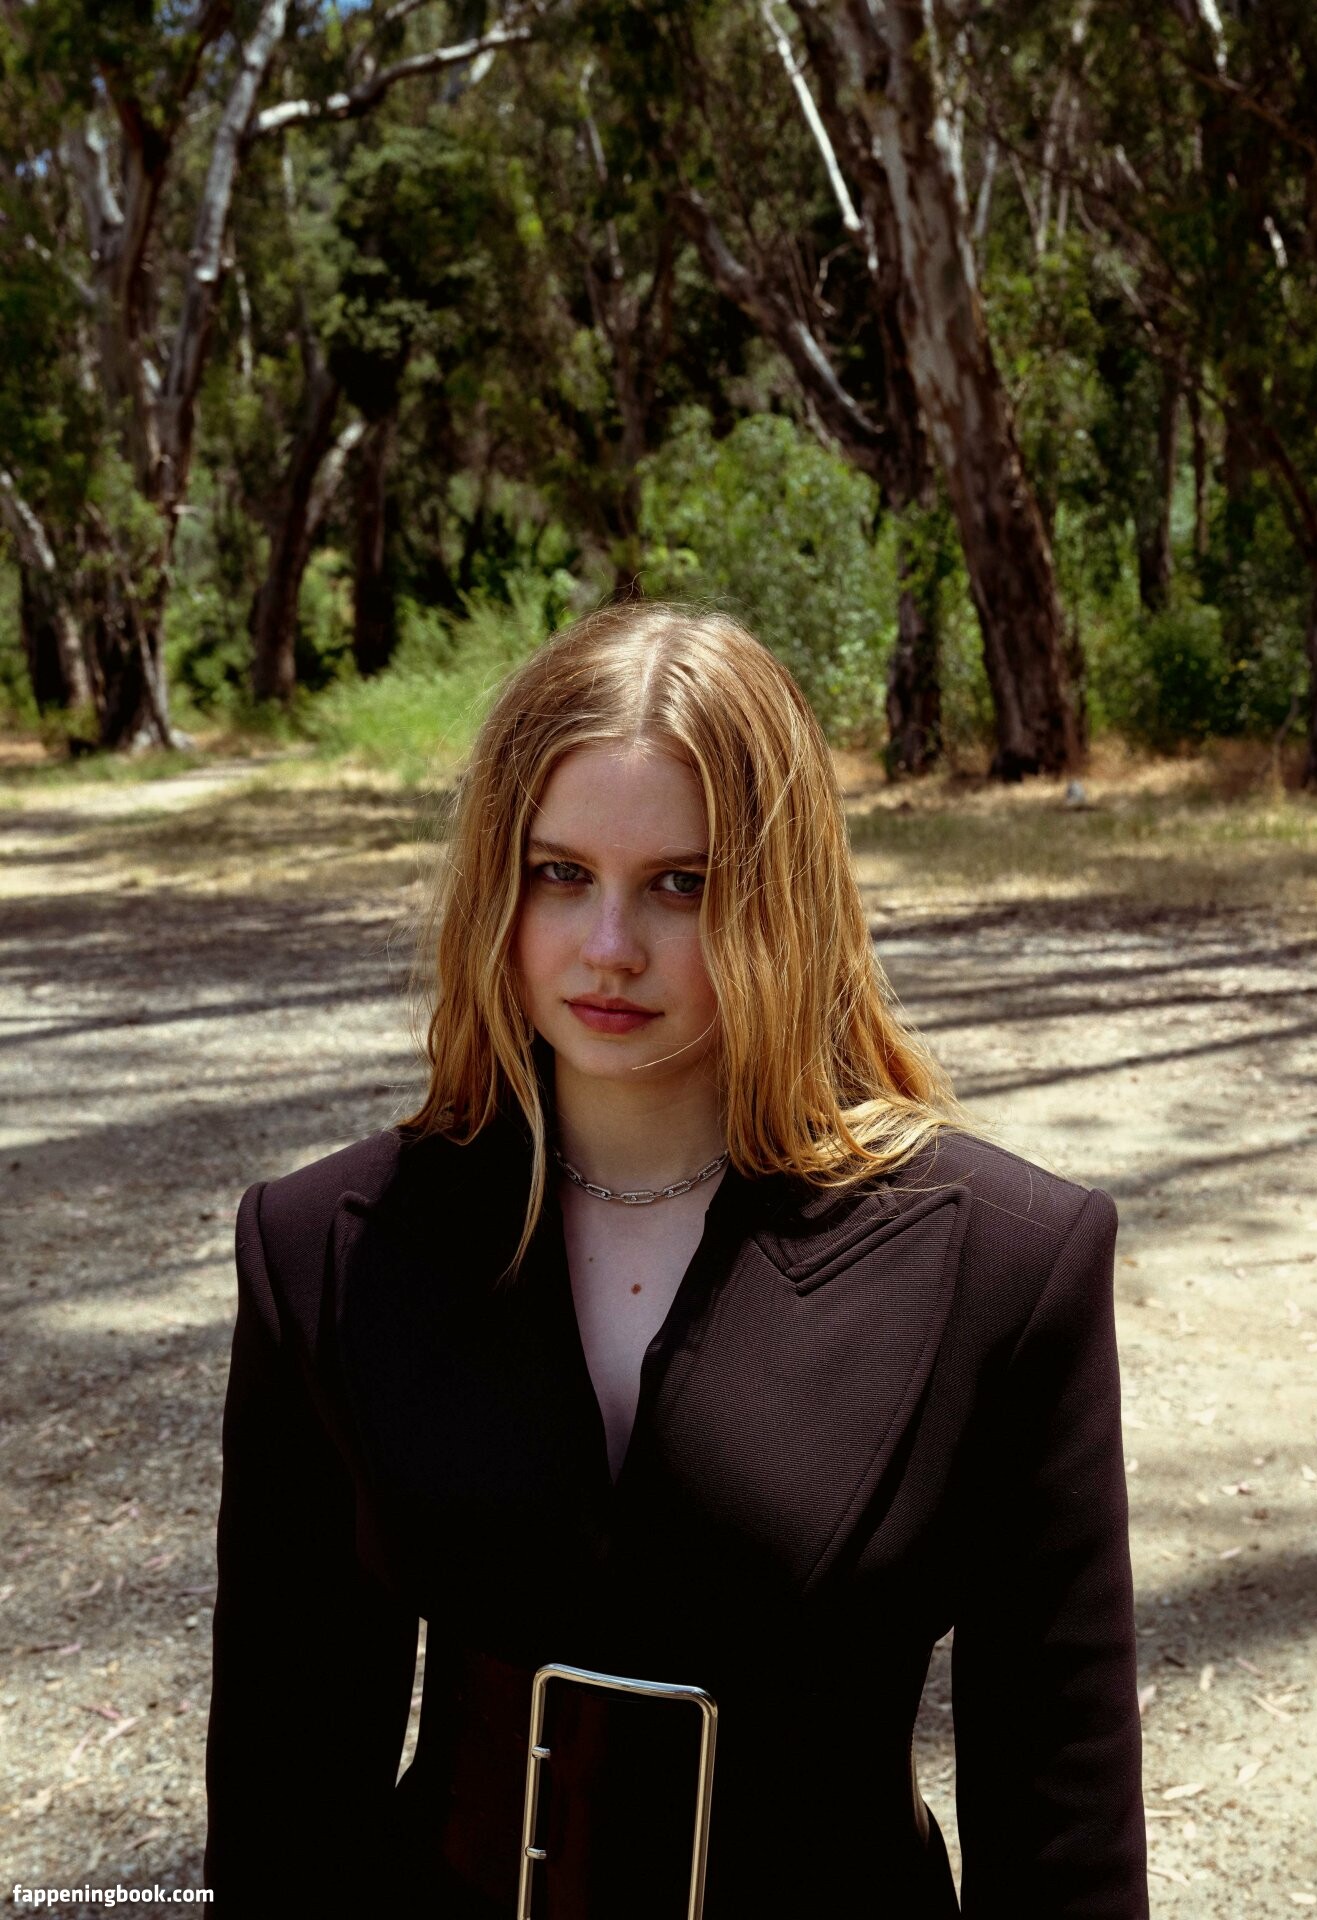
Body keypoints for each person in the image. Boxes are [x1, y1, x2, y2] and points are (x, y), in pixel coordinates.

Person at [201, 602, 1147, 1919]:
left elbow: (1061, 1827)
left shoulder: (1005, 1268)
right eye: (560, 873)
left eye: (681, 885)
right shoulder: (322, 1247)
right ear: (495, 883)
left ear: (783, 902)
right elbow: (285, 1793)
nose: (609, 947)